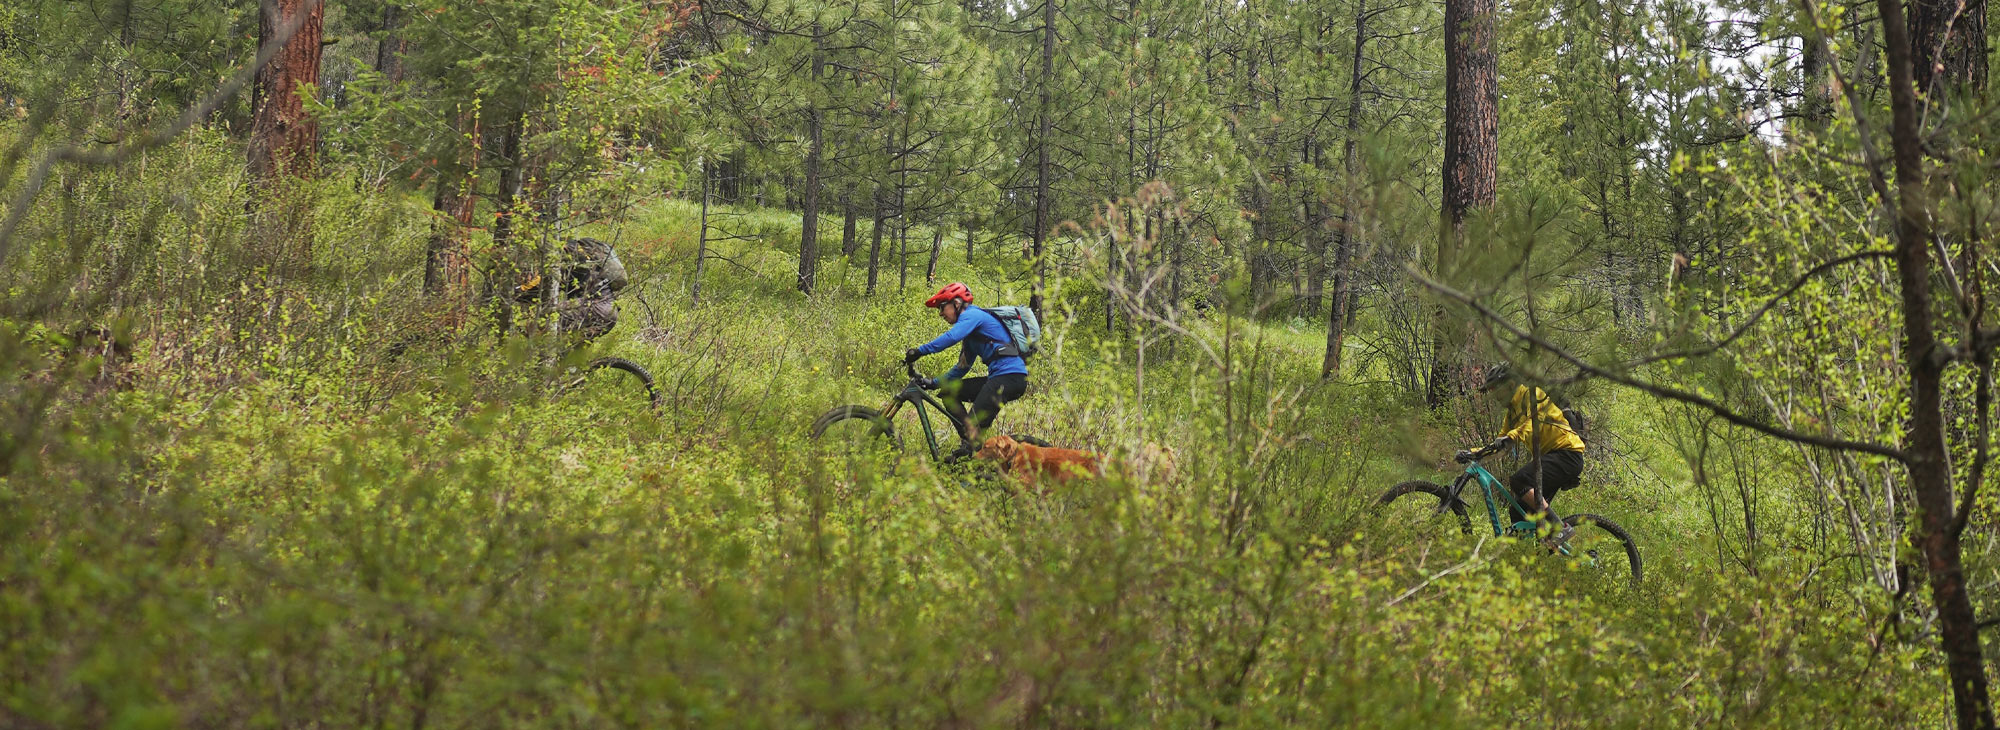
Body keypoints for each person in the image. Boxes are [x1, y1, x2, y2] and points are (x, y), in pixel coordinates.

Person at [1457, 364, 1587, 545]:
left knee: (1519, 480)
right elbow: (1500, 444)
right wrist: (1472, 453)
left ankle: (1560, 527)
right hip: (1550, 457)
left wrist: (1511, 437)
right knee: (1518, 512)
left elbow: (1532, 422)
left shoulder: (1533, 395)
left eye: (1496, 389)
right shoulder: (1511, 413)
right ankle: (1533, 556)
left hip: (1567, 454)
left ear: (1510, 385)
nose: (1494, 395)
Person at [904, 282, 1030, 460]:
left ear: (956, 303)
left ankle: (974, 455)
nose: (940, 313)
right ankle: (971, 445)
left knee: (973, 425)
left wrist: (920, 351)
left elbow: (951, 337)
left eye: (942, 307)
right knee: (949, 393)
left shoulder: (973, 315)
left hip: (1009, 378)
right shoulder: (971, 337)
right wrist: (933, 383)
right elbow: (960, 369)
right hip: (999, 378)